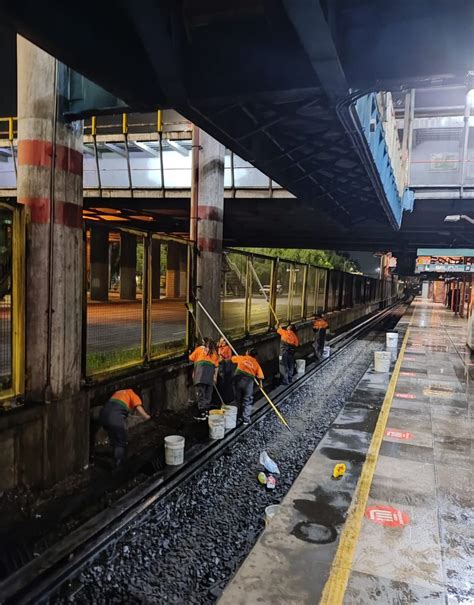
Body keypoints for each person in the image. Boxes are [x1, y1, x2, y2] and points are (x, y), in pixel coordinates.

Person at [99, 388, 151, 467]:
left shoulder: (119, 392)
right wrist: (147, 417)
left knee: (113, 438)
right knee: (121, 441)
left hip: (103, 414)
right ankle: (119, 465)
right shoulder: (132, 394)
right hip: (115, 417)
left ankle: (114, 457)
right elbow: (138, 407)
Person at [231, 348, 264, 425]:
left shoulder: (242, 358)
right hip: (248, 382)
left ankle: (238, 417)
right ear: (255, 356)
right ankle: (246, 419)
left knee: (238, 399)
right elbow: (260, 376)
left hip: (238, 380)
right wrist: (260, 385)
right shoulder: (256, 363)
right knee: (247, 400)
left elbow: (232, 359)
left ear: (248, 353)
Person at [189, 337, 219, 419]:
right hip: (209, 377)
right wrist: (215, 378)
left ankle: (202, 412)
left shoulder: (199, 349)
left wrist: (194, 350)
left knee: (200, 394)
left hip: (200, 376)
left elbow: (191, 358)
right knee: (207, 394)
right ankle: (205, 411)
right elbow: (216, 367)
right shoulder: (215, 353)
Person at [217, 337, 235, 403]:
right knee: (223, 384)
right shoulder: (219, 348)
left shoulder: (227, 348)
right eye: (221, 341)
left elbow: (228, 358)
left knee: (227, 384)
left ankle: (228, 399)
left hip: (226, 369)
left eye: (224, 341)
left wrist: (222, 358)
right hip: (222, 368)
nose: (222, 342)